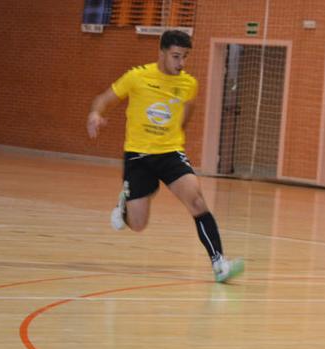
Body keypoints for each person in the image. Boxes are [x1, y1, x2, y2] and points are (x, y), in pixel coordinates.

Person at [86, 30, 244, 283]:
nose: (181, 63)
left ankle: (219, 264)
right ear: (161, 53)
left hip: (170, 154)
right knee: (137, 225)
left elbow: (189, 106)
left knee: (197, 201)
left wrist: (178, 130)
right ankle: (124, 202)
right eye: (176, 56)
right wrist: (95, 114)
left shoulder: (188, 83)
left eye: (185, 57)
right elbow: (103, 99)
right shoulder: (137, 77)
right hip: (138, 157)